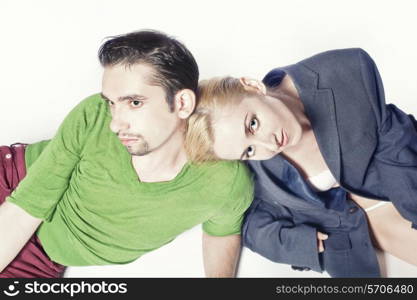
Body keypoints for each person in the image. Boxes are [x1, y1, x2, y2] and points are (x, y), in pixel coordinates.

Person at [0, 30, 253, 278]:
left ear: (182, 104)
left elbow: (222, 232)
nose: (115, 124)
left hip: (41, 257)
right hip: (15, 182)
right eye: (111, 102)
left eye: (134, 103)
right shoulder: (95, 115)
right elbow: (22, 212)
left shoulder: (226, 181)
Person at [185, 48, 417, 277]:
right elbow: (246, 225)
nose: (269, 144)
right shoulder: (254, 171)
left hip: (398, 189)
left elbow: (396, 141)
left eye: (253, 124)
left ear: (253, 87)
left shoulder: (339, 73)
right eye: (249, 150)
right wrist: (299, 244)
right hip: (350, 238)